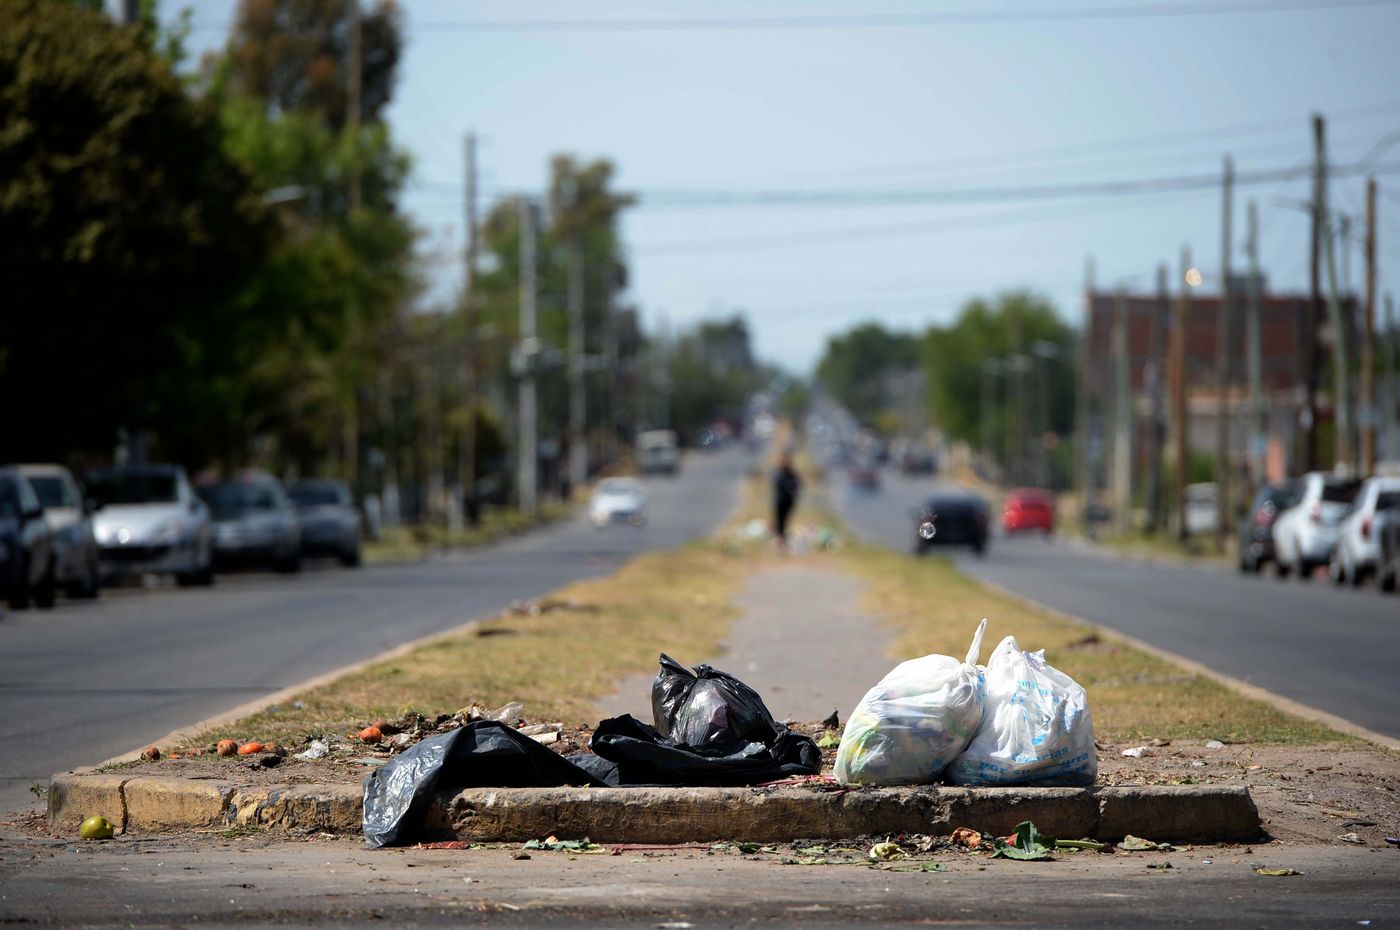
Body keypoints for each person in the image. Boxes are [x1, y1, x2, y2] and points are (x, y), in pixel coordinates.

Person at [772, 451, 801, 549]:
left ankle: (783, 540)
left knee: (785, 521)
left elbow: (797, 484)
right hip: (780, 501)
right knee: (780, 521)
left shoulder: (791, 474)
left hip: (788, 501)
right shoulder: (779, 473)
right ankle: (781, 540)